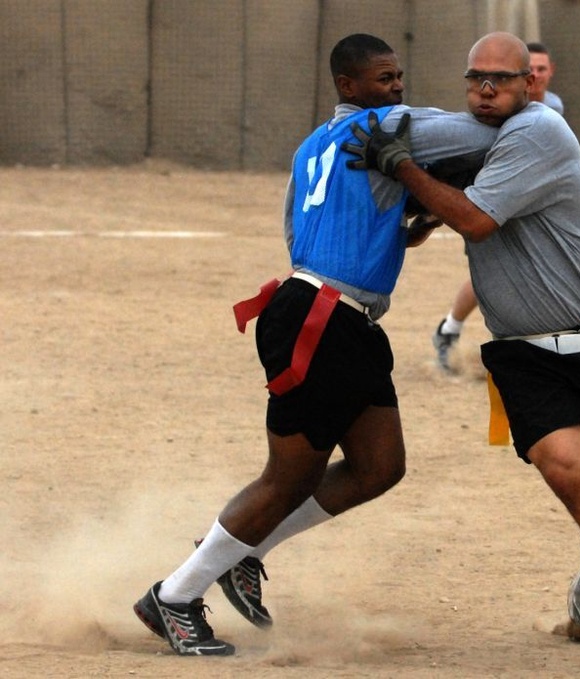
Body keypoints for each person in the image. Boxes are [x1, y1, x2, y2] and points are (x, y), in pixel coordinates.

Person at [345, 32, 580, 677]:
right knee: (567, 473)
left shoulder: (542, 130)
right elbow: (460, 194)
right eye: (476, 79)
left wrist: (402, 166)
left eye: (501, 79)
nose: (486, 89)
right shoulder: (489, 136)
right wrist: (423, 211)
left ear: (531, 85)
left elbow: (477, 220)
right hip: (525, 353)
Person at [132, 33, 497, 656]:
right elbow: (485, 136)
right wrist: (529, 109)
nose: (397, 88)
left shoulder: (309, 148)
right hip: (323, 319)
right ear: (348, 87)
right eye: (383, 79)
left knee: (380, 467)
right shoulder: (392, 125)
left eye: (398, 76)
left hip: (327, 311)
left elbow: (301, 231)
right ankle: (173, 597)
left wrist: (400, 219)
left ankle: (242, 555)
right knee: (288, 478)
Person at [431, 41, 564, 373]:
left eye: (542, 68)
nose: (538, 74)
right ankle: (449, 329)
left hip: (531, 199)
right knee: (489, 276)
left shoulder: (553, 108)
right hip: (495, 196)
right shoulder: (492, 110)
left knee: (533, 272)